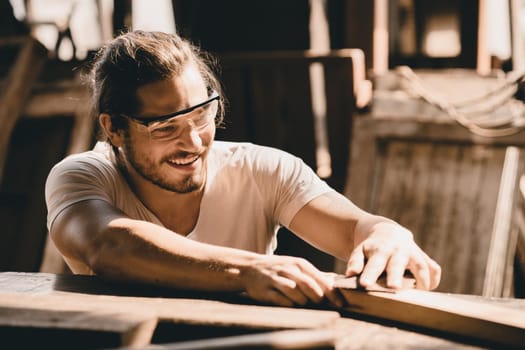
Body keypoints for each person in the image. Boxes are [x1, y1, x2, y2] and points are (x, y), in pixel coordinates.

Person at [45, 30, 441, 307]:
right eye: (166, 128)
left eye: (201, 116)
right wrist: (250, 270)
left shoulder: (262, 170)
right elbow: (110, 246)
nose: (194, 143)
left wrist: (387, 233)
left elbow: (356, 229)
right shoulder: (82, 176)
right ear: (113, 128)